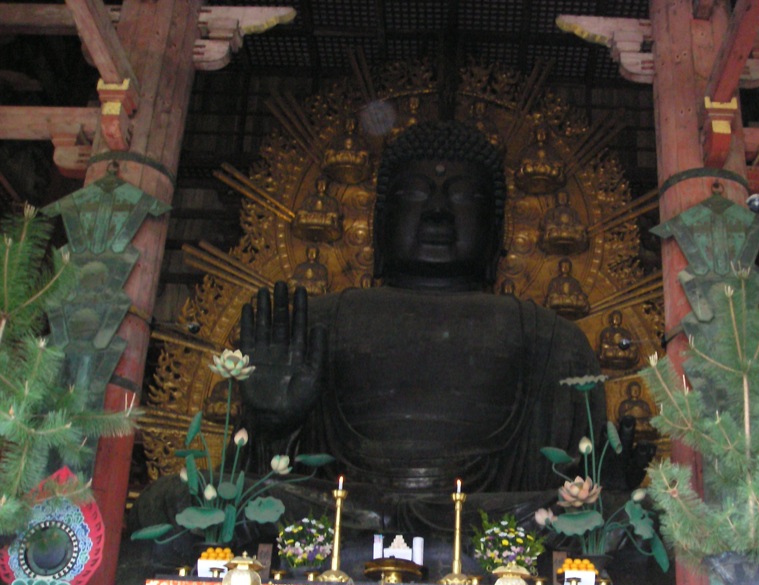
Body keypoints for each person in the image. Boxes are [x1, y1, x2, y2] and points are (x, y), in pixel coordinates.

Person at [239, 120, 602, 498]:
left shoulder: (554, 341)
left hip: (502, 530)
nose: (438, 211)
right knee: (174, 499)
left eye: (463, 197)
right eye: (414, 194)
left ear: (497, 232)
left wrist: (616, 478)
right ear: (379, 225)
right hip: (337, 525)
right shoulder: (314, 325)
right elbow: (254, 485)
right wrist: (272, 427)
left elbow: (585, 489)